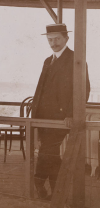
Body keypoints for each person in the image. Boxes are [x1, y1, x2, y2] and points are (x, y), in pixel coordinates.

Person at [31, 23, 90, 200]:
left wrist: (72, 114)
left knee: (47, 151)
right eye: (50, 39)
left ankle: (40, 183)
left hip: (61, 117)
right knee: (51, 153)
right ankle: (56, 191)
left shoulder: (75, 59)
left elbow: (83, 89)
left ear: (66, 38)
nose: (53, 42)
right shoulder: (48, 60)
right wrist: (34, 113)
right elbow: (40, 88)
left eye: (57, 39)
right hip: (42, 117)